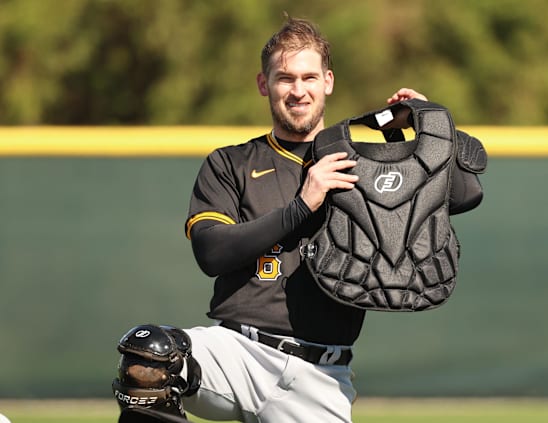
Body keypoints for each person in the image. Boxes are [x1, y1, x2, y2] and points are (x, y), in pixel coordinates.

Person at [112, 17, 484, 423]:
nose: (298, 90)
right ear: (263, 84)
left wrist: (424, 128)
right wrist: (301, 207)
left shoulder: (359, 164)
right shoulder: (231, 162)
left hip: (318, 373)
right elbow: (211, 252)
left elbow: (465, 194)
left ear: (328, 81)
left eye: (308, 77)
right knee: (148, 357)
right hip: (236, 352)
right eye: (284, 78)